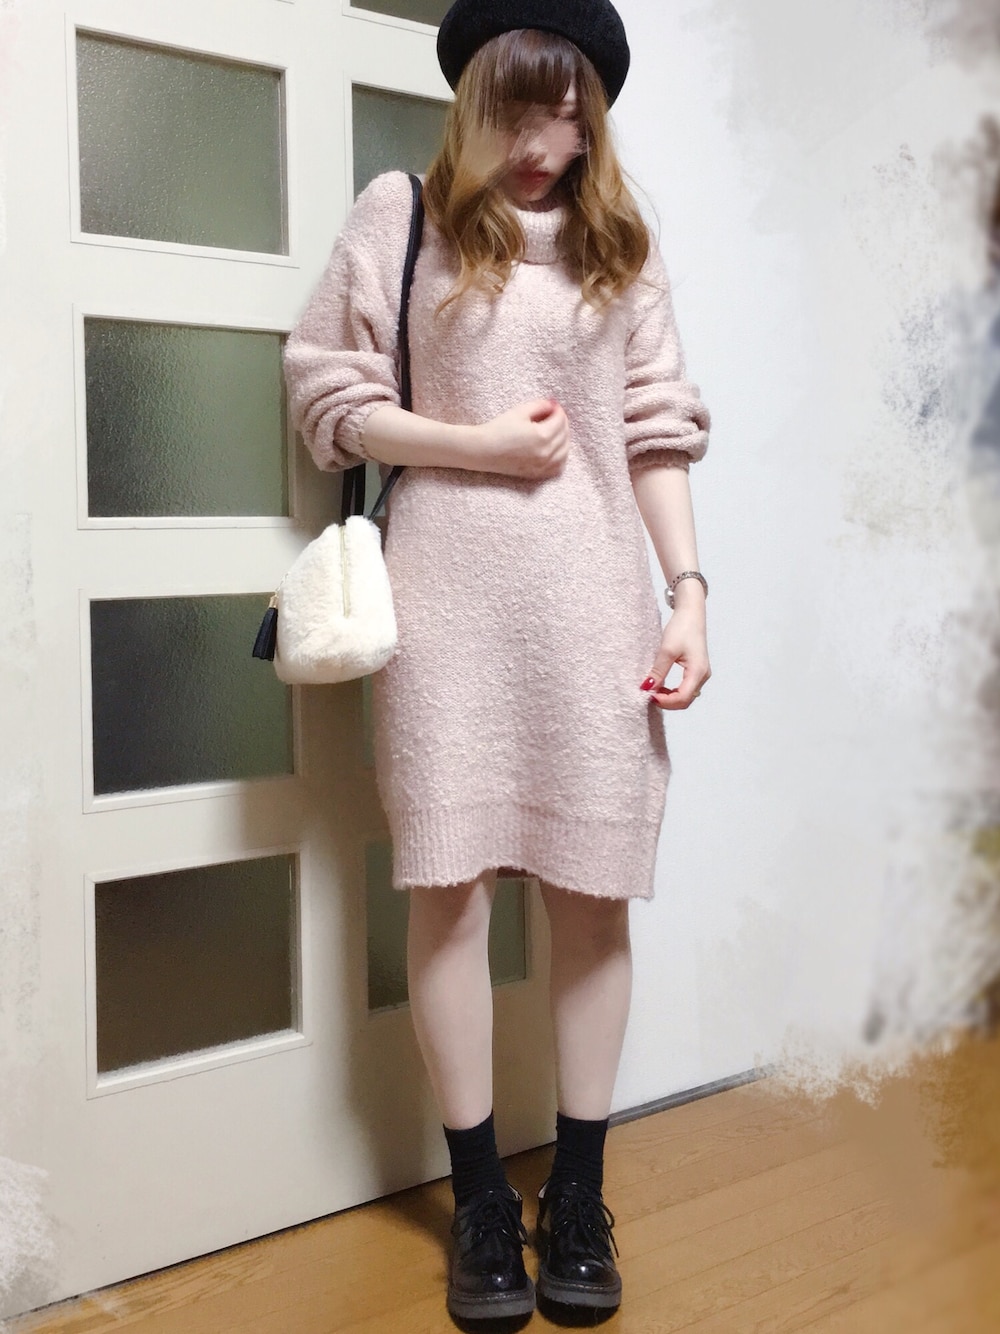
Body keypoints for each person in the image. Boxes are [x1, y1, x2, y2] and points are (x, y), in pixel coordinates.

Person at [283, 0, 711, 1321]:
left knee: (594, 898)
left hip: (594, 604)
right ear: (472, 101)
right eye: (519, 112)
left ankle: (577, 1190)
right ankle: (479, 1198)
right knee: (451, 892)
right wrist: (477, 446)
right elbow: (326, 397)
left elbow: (655, 431)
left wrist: (689, 595)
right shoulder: (400, 216)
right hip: (448, 608)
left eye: (569, 115)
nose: (544, 143)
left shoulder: (622, 245)